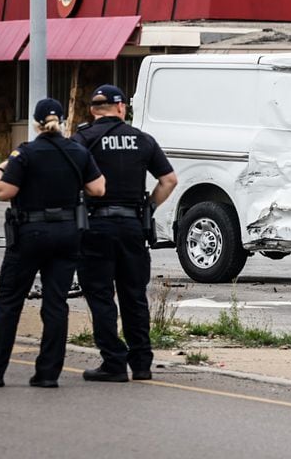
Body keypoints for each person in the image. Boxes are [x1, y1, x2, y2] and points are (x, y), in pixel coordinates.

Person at [0, 99, 105, 388]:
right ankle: (47, 374)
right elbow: (98, 188)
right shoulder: (77, 152)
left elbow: (5, 191)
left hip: (30, 234)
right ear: (64, 120)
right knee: (55, 303)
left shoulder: (25, 153)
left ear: (35, 123)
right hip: (68, 234)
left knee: (9, 301)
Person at [72, 84, 177, 383]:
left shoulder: (84, 139)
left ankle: (113, 363)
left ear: (93, 110)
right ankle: (142, 364)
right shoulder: (143, 140)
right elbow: (169, 180)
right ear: (121, 108)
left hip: (95, 227)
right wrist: (149, 208)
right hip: (133, 227)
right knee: (134, 296)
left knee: (101, 295)